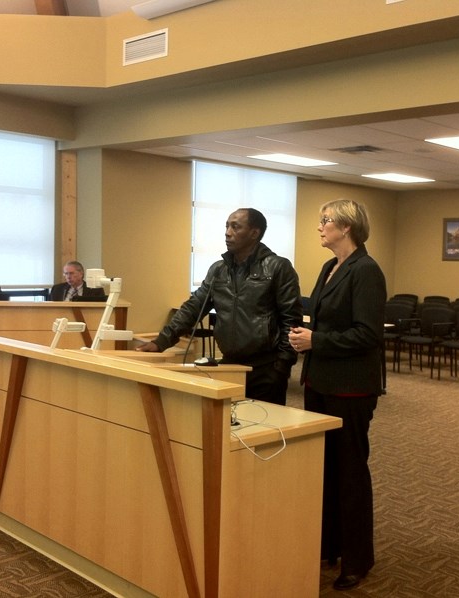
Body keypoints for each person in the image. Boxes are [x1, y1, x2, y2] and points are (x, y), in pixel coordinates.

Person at [288, 199, 386, 591]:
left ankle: (357, 559)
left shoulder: (366, 270)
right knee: (324, 470)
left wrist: (317, 340)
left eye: (325, 221)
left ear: (346, 227)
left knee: (349, 473)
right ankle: (329, 545)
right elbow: (321, 319)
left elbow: (368, 334)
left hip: (351, 387)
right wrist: (305, 337)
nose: (320, 228)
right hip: (321, 382)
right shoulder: (331, 267)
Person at [136, 208, 303, 405]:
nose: (227, 232)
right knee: (229, 427)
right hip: (230, 365)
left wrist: (282, 366)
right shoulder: (218, 270)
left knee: (266, 426)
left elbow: (291, 321)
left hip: (266, 368)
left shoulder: (277, 267)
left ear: (254, 233)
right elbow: (194, 308)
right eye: (227, 226)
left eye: (235, 226)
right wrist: (162, 341)